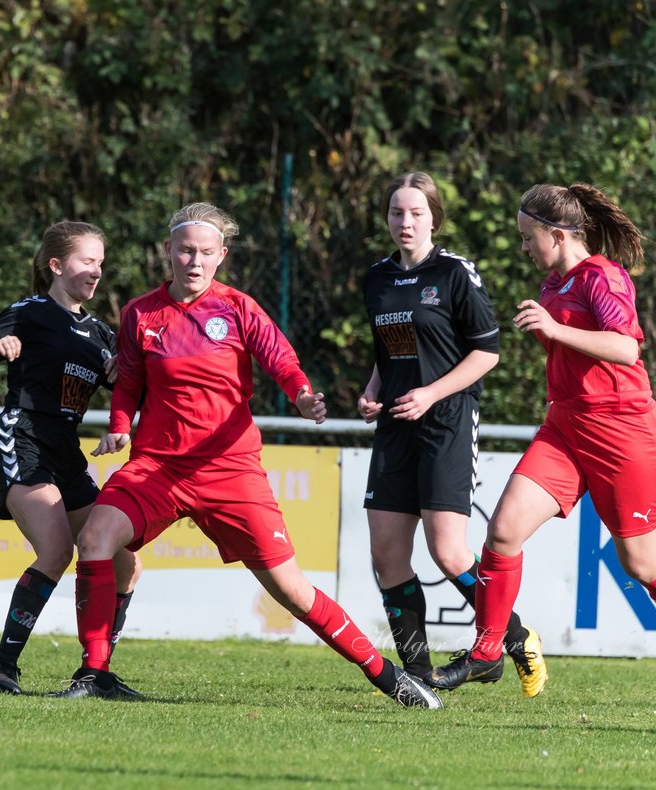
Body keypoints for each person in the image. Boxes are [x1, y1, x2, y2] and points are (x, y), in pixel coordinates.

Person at [49, 202, 442, 708]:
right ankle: (93, 672)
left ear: (221, 256)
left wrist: (301, 394)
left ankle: (387, 675)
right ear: (168, 251)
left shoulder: (237, 307)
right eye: (186, 250)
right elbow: (127, 383)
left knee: (292, 591)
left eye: (205, 253)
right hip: (158, 466)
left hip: (229, 470)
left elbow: (279, 357)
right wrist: (120, 428)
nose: (194, 260)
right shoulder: (140, 313)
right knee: (97, 537)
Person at [429, 183, 656, 703]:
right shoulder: (551, 286)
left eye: (528, 237)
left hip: (622, 432)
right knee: (502, 531)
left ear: (558, 234)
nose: (524, 247)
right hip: (566, 427)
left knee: (639, 560)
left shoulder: (603, 277)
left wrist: (554, 330)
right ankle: (486, 651)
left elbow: (626, 349)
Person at [358, 172, 547, 698]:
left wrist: (431, 394)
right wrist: (374, 390)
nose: (406, 222)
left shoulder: (454, 273)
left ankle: (513, 636)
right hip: (397, 425)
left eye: (416, 213)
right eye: (397, 212)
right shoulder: (377, 279)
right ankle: (417, 676)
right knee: (387, 555)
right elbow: (390, 349)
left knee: (448, 552)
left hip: (446, 421)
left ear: (434, 217)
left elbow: (487, 352)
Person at [0, 220, 142, 696]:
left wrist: (121, 418)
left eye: (101, 262)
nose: (97, 271)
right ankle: (2, 665)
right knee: (56, 551)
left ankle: (95, 673)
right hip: (24, 436)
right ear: (56, 266)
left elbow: (131, 390)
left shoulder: (101, 333)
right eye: (86, 261)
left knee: (126, 566)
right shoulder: (32, 311)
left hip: (66, 450)